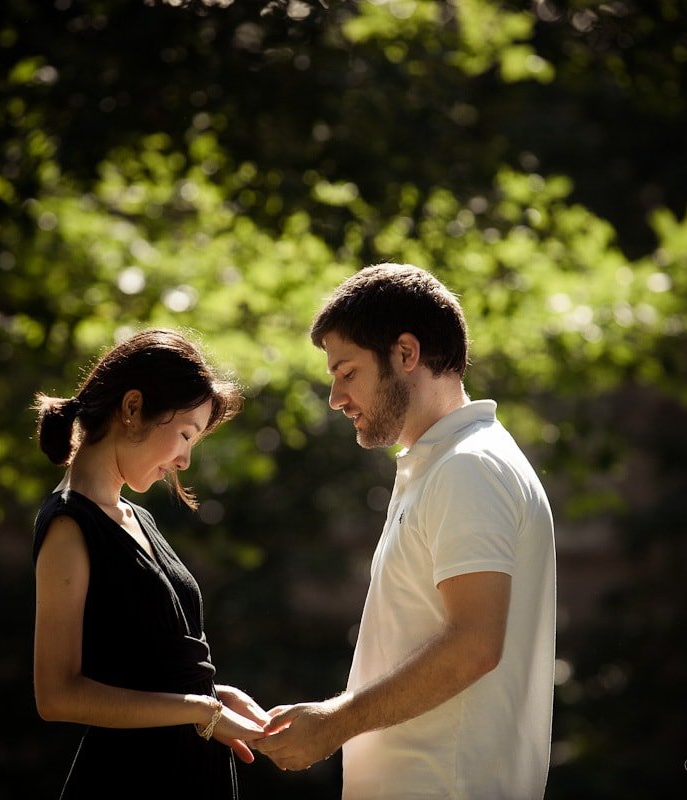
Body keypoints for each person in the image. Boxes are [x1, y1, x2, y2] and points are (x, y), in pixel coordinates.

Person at [255, 264, 557, 799]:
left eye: (347, 372)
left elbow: (474, 645)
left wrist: (333, 722)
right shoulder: (445, 462)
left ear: (406, 354)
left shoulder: (470, 468)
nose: (335, 397)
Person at [30, 327, 268, 799]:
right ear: (133, 408)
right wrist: (203, 711)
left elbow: (147, 669)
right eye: (184, 434)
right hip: (133, 777)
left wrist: (216, 697)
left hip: (189, 769)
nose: (184, 460)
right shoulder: (69, 527)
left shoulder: (136, 517)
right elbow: (57, 695)